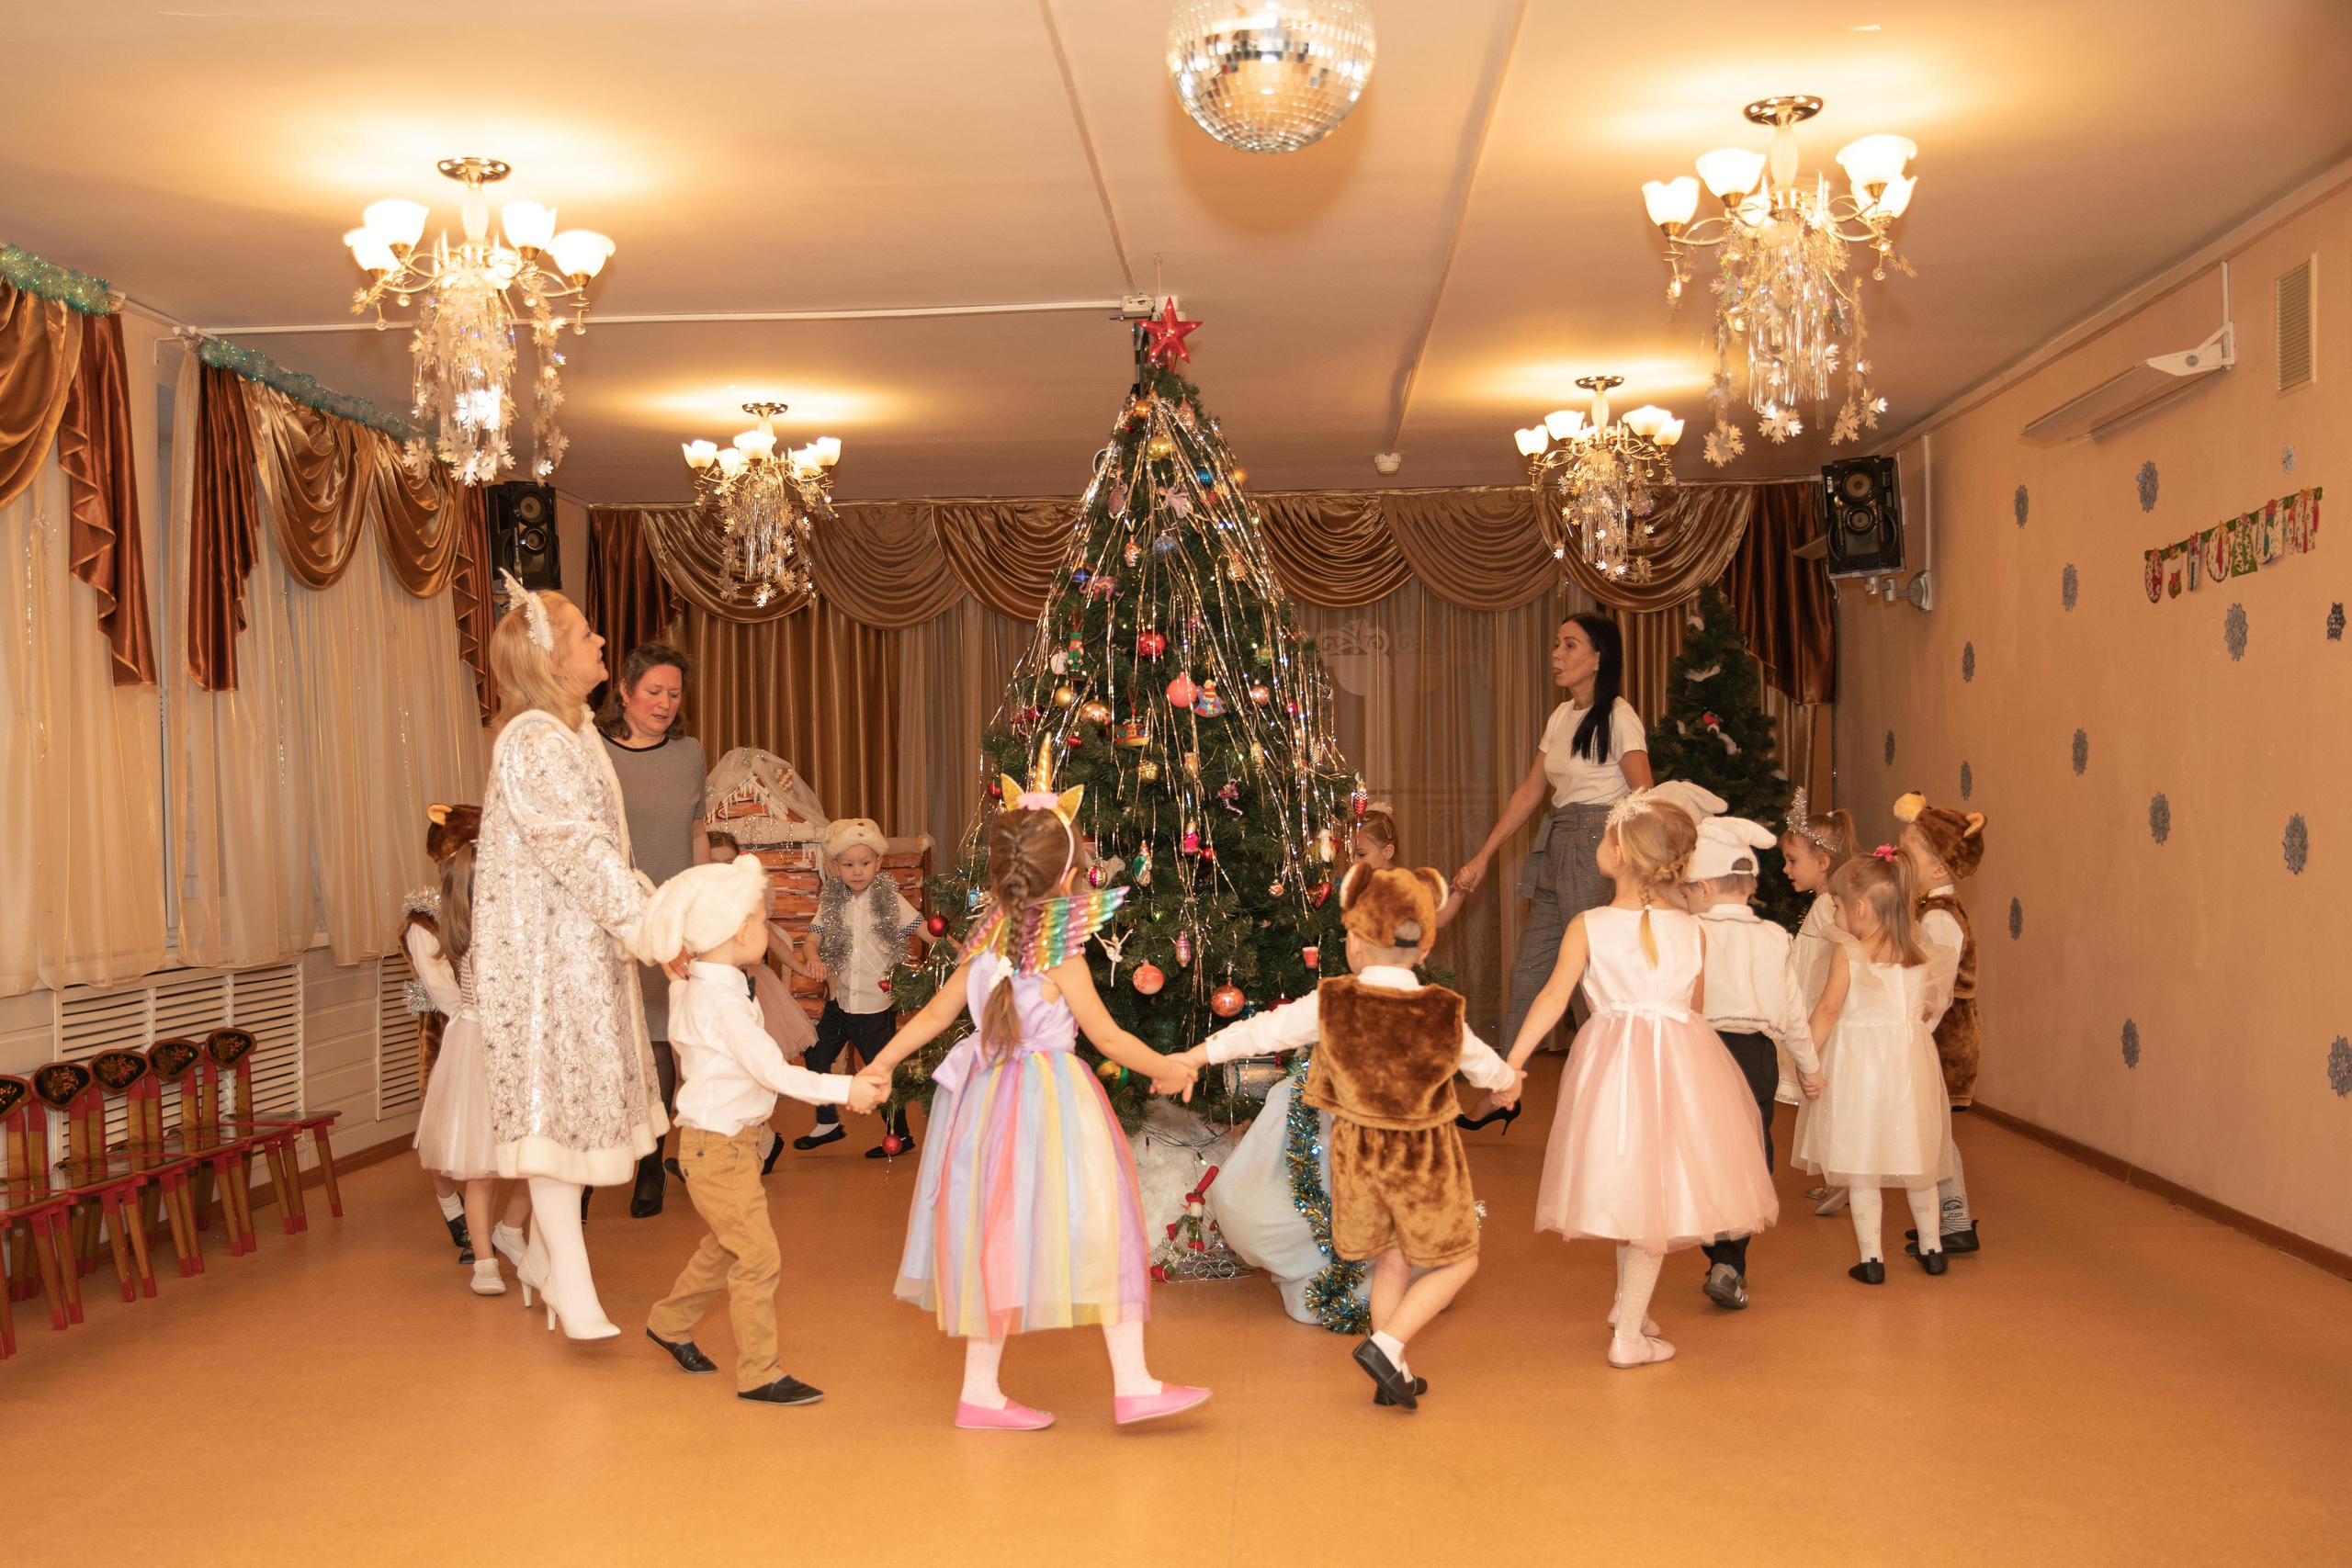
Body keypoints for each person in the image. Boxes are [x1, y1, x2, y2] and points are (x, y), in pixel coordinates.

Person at [857, 780, 1206, 1431]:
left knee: (995, 1238)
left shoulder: (983, 939)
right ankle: (1132, 1383)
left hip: (986, 1106)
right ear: (1070, 876)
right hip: (1053, 1106)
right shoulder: (1061, 954)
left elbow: (933, 1015)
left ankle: (980, 1393)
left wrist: (881, 1062)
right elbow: (1108, 1038)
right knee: (1104, 1226)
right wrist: (1171, 1066)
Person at [1173, 864, 1518, 1412]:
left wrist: (1195, 1055)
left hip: (1355, 1161)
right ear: (1425, 948)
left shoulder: (1330, 1001)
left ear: (1355, 942)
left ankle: (1393, 1374)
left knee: (1391, 1260)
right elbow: (1486, 1068)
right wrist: (1509, 1085)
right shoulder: (1441, 1010)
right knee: (1460, 1260)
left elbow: (1263, 1032)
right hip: (1422, 1162)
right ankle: (1388, 1345)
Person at [1492, 788, 1777, 1368]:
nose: (1601, 844)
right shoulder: (1693, 931)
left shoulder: (1588, 924)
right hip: (1679, 1069)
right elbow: (1695, 1012)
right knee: (1649, 1195)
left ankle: (1627, 1329)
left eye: (1606, 836)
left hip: (1613, 1073)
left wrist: (1514, 1063)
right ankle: (1629, 1315)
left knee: (1637, 1193)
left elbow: (1551, 999)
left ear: (1620, 854)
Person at [472, 571, 665, 1341]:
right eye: (587, 633)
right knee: (552, 1113)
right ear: (551, 657)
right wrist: (650, 926)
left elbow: (604, 849)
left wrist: (643, 918)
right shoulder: (533, 740)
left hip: (581, 951)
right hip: (545, 965)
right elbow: (578, 850)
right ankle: (569, 1284)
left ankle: (549, 1266)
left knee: (575, 1111)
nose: (601, 640)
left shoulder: (574, 731)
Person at [629, 854, 886, 1404]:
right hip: (717, 1147)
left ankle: (669, 1322)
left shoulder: (704, 985)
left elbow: (683, 988)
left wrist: (678, 964)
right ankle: (759, 1373)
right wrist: (849, 1089)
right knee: (757, 1255)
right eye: (762, 920)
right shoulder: (718, 999)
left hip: (730, 1145)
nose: (768, 930)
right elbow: (774, 1072)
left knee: (728, 1246)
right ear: (736, 931)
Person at [1456, 615, 1653, 1059]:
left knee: (1589, 977)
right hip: (1557, 841)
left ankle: (1606, 1076)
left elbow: (1644, 795)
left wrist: (1632, 862)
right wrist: (1484, 856)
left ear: (1599, 658)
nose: (1556, 654)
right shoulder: (1562, 715)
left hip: (1598, 845)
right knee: (1528, 973)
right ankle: (1507, 1078)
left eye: (1570, 645)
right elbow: (1530, 792)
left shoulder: (1619, 716)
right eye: (1557, 644)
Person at [1679, 816, 1823, 1310]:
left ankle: (1708, 1235)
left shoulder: (1690, 931)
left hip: (1699, 1049)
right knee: (1750, 1152)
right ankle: (1729, 1257)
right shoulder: (1776, 937)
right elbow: (1794, 1013)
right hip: (1755, 1055)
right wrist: (1809, 1067)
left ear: (1702, 887)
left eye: (1686, 891)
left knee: (1700, 1147)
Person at [1793, 851, 1954, 1283]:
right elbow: (1928, 1006)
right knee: (1917, 1156)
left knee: (1860, 1159)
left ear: (1860, 908)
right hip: (1907, 1064)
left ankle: (1872, 1260)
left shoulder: (1849, 952)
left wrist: (1806, 1058)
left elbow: (1827, 1011)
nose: (1835, 915)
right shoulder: (1918, 950)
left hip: (1859, 1067)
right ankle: (1933, 1249)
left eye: (1838, 906)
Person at [597, 643, 709, 1220]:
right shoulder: (592, 750)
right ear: (624, 691)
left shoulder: (689, 753)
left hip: (671, 918)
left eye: (674, 693)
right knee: (607, 1041)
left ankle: (650, 1165)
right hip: (609, 918)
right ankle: (589, 1167)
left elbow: (697, 834)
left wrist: (701, 905)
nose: (665, 703)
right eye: (653, 692)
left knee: (661, 1040)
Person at [406, 804, 532, 1297]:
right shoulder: (450, 931)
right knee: (482, 1168)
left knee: (537, 1160)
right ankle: (484, 1260)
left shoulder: (518, 926)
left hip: (519, 1049)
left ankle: (510, 1230)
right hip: (477, 1047)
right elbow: (452, 999)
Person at [795, 818, 930, 1157]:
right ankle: (828, 1123)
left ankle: (900, 1135)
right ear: (835, 866)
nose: (857, 871)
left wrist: (955, 946)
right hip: (840, 1004)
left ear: (878, 863)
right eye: (848, 865)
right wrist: (813, 957)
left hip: (875, 1008)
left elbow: (923, 929)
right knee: (816, 1054)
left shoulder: (890, 900)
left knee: (879, 1072)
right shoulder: (832, 901)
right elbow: (811, 940)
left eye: (865, 863)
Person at [1894, 793, 1990, 1258]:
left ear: (1937, 869)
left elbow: (1935, 990)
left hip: (1941, 1039)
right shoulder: (1928, 909)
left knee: (1935, 1135)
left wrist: (1910, 1037)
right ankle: (1945, 1218)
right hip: (1935, 1035)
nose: (1895, 856)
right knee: (1931, 1132)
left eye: (1905, 851)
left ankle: (1954, 1222)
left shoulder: (1938, 917)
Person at [1780, 793, 1859, 1211]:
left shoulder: (1832, 907)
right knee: (1824, 1098)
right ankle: (1836, 1174)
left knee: (1832, 1096)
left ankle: (1846, 1175)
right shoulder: (1824, 904)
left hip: (1827, 1015)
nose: (1786, 868)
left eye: (1793, 860)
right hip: (1817, 1011)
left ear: (1823, 861)